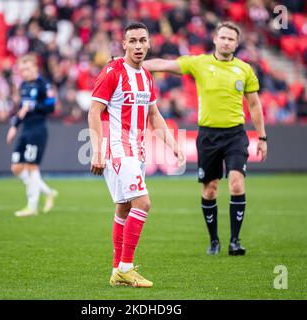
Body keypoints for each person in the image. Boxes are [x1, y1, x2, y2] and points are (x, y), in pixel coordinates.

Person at [143, 21, 268, 256]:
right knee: (210, 189)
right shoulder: (199, 63)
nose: (226, 42)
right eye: (223, 37)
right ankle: (214, 241)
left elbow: (254, 104)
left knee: (236, 183)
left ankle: (235, 241)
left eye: (231, 39)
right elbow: (164, 65)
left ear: (236, 43)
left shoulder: (245, 70)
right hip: (208, 136)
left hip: (235, 135)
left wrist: (262, 137)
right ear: (215, 39)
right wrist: (132, 63)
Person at [88, 22, 185, 287]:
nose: (138, 46)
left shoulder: (147, 77)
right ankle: (126, 267)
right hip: (118, 150)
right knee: (143, 204)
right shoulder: (112, 71)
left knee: (124, 207)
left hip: (137, 151)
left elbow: (154, 115)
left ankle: (116, 270)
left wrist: (173, 144)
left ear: (149, 43)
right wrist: (97, 151)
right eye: (133, 41)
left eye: (143, 40)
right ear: (124, 44)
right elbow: (94, 111)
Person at [6, 54, 58, 217]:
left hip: (37, 130)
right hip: (25, 130)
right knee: (16, 168)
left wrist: (33, 106)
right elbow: (22, 108)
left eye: (27, 69)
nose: (24, 72)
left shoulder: (44, 85)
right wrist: (14, 126)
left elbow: (51, 107)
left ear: (35, 67)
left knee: (31, 166)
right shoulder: (22, 86)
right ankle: (48, 192)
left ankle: (32, 207)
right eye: (21, 70)